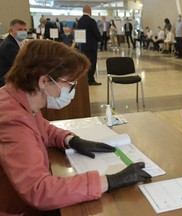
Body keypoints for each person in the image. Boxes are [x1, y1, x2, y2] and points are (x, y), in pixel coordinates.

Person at [0, 39, 151, 215]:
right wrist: (110, 181)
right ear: (44, 81)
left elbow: (43, 128)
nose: (71, 89)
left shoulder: (18, 98)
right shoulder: (12, 120)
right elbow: (39, 190)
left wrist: (71, 140)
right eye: (69, 83)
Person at [78, 5, 102, 85]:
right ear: (90, 11)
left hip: (83, 46)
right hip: (92, 46)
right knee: (92, 63)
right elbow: (96, 33)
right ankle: (91, 79)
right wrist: (99, 39)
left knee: (85, 63)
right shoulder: (91, 21)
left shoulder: (80, 21)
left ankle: (85, 79)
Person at [0, 19, 27, 87]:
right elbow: (21, 64)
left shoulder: (14, 42)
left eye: (25, 29)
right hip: (7, 80)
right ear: (11, 30)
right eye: (20, 29)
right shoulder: (9, 45)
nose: (23, 32)